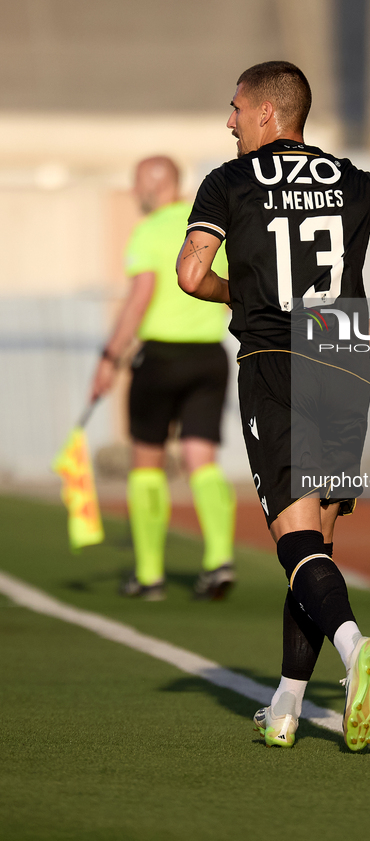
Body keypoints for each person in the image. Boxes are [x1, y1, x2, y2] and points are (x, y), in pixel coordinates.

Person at [177, 62, 370, 751]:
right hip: (342, 354)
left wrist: (241, 293)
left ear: (267, 113)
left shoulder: (227, 181)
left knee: (292, 539)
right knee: (317, 544)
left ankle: (355, 648)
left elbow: (190, 274)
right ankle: (288, 706)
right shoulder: (356, 180)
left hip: (276, 360)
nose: (227, 120)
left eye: (234, 107)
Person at [90, 156, 236, 601]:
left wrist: (110, 356)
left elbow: (141, 297)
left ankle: (149, 575)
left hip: (160, 358)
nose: (136, 193)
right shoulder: (212, 225)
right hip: (210, 356)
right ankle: (218, 561)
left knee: (147, 462)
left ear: (157, 184)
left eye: (138, 184)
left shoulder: (150, 230)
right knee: (200, 459)